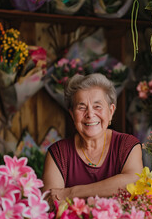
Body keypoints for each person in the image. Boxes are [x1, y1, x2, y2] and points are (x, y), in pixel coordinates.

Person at [42, 73, 143, 205]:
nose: (90, 114)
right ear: (72, 114)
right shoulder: (59, 153)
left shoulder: (127, 145)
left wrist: (70, 193)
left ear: (111, 111)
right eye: (82, 107)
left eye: (97, 106)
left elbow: (133, 182)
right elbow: (51, 202)